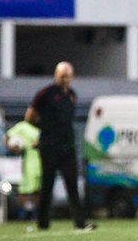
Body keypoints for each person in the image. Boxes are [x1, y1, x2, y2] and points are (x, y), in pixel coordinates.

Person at [25, 61, 96, 231]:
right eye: (62, 76)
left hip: (67, 147)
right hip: (49, 146)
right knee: (47, 185)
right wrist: (44, 130)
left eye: (68, 76)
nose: (65, 80)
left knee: (72, 185)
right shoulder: (46, 93)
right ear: (56, 76)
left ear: (72, 77)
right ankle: (43, 223)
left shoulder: (72, 95)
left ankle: (80, 222)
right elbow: (29, 116)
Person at [5, 119, 41, 221]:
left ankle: (36, 213)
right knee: (25, 189)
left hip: (43, 161)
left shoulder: (42, 126)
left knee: (38, 189)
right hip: (30, 163)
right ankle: (26, 212)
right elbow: (7, 137)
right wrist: (13, 147)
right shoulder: (22, 126)